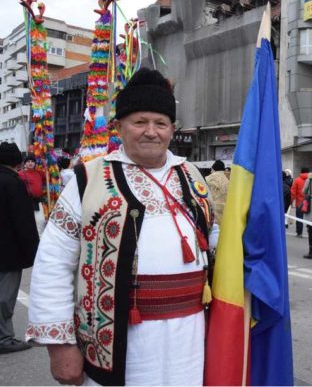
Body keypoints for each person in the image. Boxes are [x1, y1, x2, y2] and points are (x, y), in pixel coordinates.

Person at [26, 68, 216, 385]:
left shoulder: (192, 176)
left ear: (172, 129)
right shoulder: (87, 180)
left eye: (160, 123)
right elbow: (53, 262)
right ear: (119, 127)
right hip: (119, 343)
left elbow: (211, 237)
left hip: (190, 338)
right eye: (140, 122)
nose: (151, 132)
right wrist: (59, 345)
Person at [0, 142, 39, 354]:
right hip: (8, 251)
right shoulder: (13, 184)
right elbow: (23, 222)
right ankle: (3, 338)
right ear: (17, 162)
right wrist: (34, 251)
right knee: (4, 297)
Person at [18, 154, 46, 235]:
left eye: (32, 161)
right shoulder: (20, 174)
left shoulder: (39, 173)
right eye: (28, 161)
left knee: (41, 221)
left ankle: (40, 238)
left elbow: (47, 176)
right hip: (27, 202)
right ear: (25, 164)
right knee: (29, 222)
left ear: (35, 163)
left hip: (38, 201)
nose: (30, 163)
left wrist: (45, 164)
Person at [205, 160, 229, 226]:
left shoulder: (208, 178)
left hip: (213, 208)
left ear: (213, 169)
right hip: (225, 209)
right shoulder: (227, 180)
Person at [291, 167, 310, 238]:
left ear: (301, 172)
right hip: (309, 202)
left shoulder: (297, 180)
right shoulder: (311, 180)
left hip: (299, 202)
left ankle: (299, 233)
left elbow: (293, 192)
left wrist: (291, 201)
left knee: (299, 218)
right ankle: (311, 232)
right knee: (310, 218)